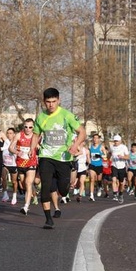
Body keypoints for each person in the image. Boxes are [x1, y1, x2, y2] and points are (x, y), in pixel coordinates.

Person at [33, 88, 85, 229]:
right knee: (45, 186)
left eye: (54, 101)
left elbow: (82, 132)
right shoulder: (41, 117)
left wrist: (75, 145)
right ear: (44, 102)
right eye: (48, 102)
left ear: (59, 100)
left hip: (63, 157)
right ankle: (48, 219)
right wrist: (33, 150)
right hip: (46, 156)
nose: (51, 105)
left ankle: (65, 186)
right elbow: (36, 135)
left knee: (63, 190)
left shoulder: (66, 115)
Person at [10, 117, 38, 215]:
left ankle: (26, 207)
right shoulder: (18, 135)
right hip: (20, 163)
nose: (28, 129)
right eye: (26, 127)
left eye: (30, 127)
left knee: (28, 183)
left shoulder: (35, 136)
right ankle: (33, 194)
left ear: (33, 127)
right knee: (22, 184)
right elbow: (10, 148)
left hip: (31, 163)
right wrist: (17, 152)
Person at [108, 134, 129, 203]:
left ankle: (120, 194)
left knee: (121, 183)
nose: (115, 142)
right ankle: (115, 193)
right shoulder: (112, 147)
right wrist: (108, 158)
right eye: (115, 141)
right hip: (114, 165)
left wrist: (122, 157)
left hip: (122, 166)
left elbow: (128, 157)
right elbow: (109, 153)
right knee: (113, 179)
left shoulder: (124, 147)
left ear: (120, 141)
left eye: (117, 141)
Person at [86, 132, 106, 201]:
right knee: (92, 179)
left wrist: (100, 155)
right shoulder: (90, 146)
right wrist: (88, 161)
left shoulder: (101, 147)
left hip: (99, 165)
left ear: (99, 139)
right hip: (92, 165)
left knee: (99, 180)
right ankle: (91, 195)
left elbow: (105, 156)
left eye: (96, 138)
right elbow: (88, 155)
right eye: (94, 138)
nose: (95, 139)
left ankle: (99, 187)